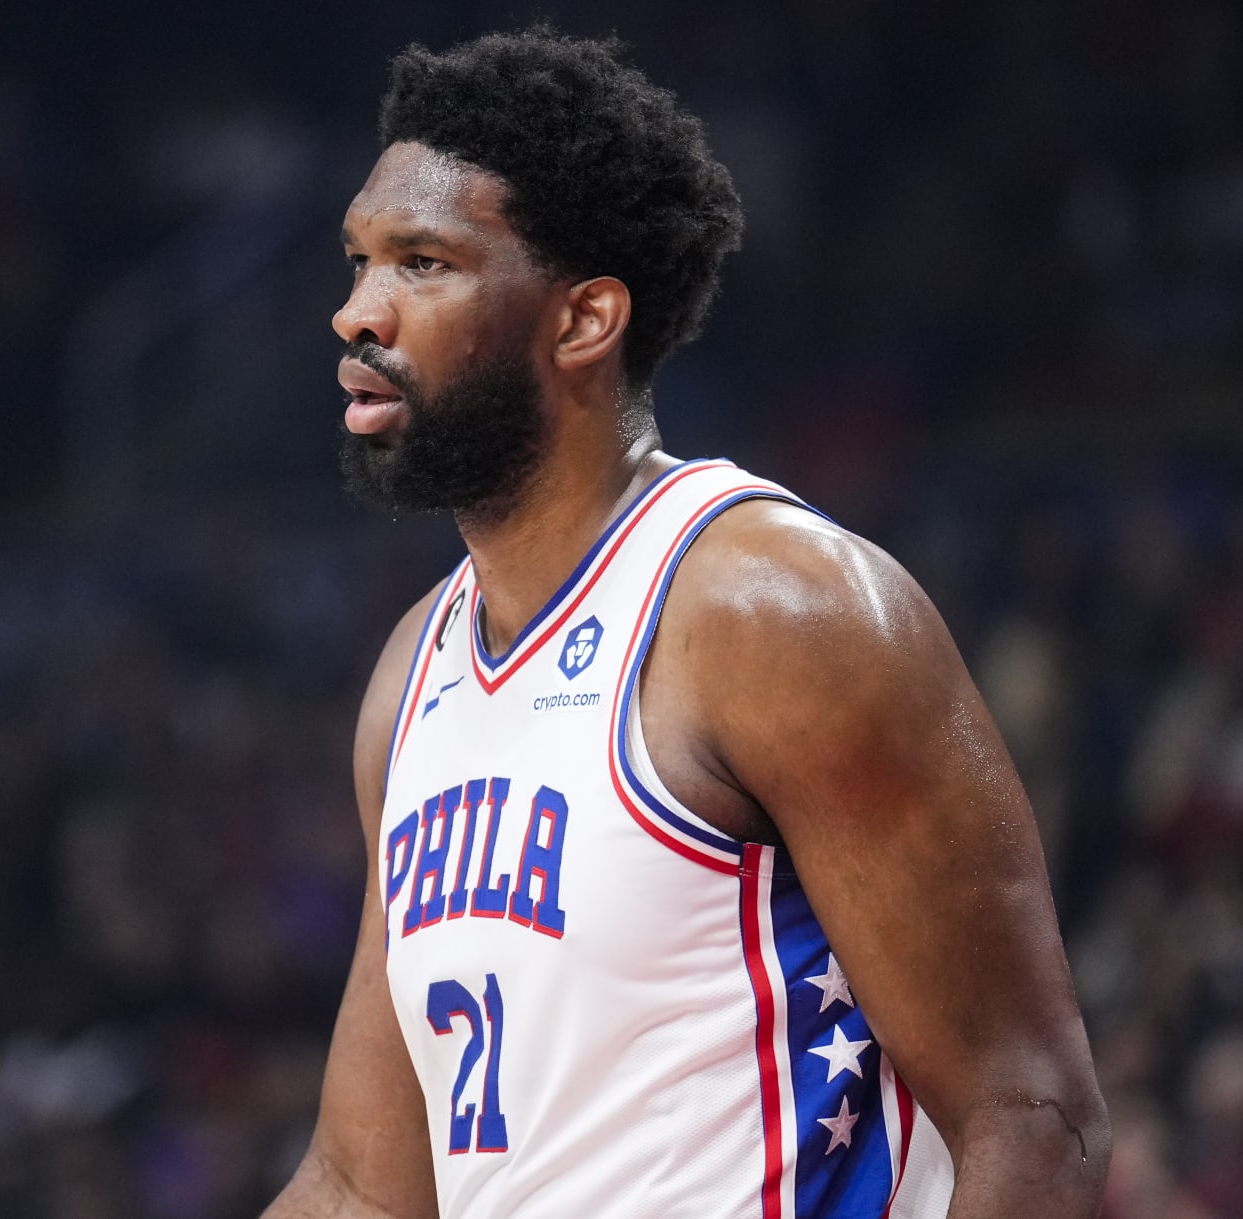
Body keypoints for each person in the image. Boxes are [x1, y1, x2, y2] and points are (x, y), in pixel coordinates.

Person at [263, 27, 1108, 1219]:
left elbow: (1033, 1117)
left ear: (583, 320)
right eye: (359, 261)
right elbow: (361, 1186)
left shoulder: (771, 611)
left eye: (424, 263)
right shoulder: (413, 676)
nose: (358, 313)